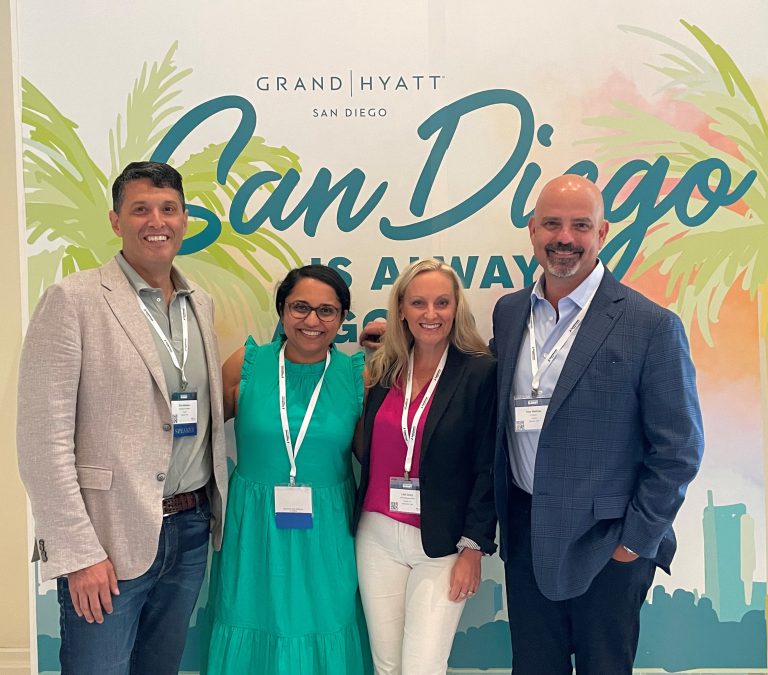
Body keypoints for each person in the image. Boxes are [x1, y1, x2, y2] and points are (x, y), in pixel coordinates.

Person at [360, 175, 704, 674]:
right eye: (552, 224)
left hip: (606, 542)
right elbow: (469, 384)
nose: (564, 237)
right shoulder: (512, 310)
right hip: (527, 533)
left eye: (579, 225)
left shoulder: (650, 326)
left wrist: (634, 543)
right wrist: (396, 343)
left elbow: (679, 450)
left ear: (602, 232)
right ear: (532, 230)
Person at [17, 161, 228, 675]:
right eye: (140, 209)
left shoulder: (200, 304)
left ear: (184, 219)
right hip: (108, 537)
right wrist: (77, 553)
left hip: (190, 529)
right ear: (116, 221)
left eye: (168, 208)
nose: (156, 220)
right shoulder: (74, 300)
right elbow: (41, 442)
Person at [205, 264, 371, 675]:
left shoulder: (357, 375)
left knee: (325, 622)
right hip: (254, 529)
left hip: (328, 530)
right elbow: (196, 436)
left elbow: (375, 455)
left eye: (326, 311)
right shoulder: (247, 363)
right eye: (300, 307)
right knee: (251, 618)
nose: (312, 320)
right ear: (281, 310)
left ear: (342, 319)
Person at [354, 258, 497, 675]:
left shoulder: (480, 372)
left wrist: (473, 546)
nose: (430, 314)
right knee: (387, 666)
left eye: (441, 303)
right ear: (401, 309)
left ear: (456, 308)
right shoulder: (384, 368)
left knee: (422, 667)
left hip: (442, 542)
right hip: (376, 535)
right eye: (418, 303)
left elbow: (488, 467)